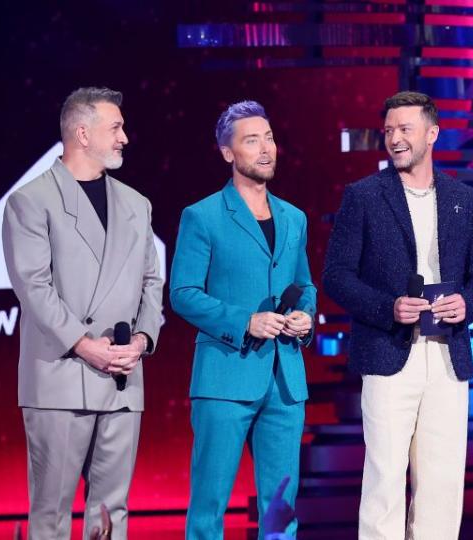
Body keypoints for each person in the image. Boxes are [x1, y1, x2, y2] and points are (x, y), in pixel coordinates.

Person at [322, 91, 473, 538]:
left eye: (405, 129)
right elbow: (336, 276)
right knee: (384, 479)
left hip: (447, 355)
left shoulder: (463, 198)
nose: (395, 139)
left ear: (432, 134)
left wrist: (467, 305)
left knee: (442, 482)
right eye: (389, 131)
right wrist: (388, 307)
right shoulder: (363, 196)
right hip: (387, 352)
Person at [2, 87, 163, 539]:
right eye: (115, 128)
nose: (125, 138)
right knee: (51, 512)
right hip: (60, 376)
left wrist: (142, 340)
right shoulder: (31, 201)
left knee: (113, 511)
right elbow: (34, 288)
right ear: (82, 133)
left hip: (122, 376)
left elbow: (152, 282)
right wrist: (84, 344)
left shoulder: (136, 204)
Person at [170, 100, 316, 539]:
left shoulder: (294, 217)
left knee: (280, 509)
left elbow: (304, 285)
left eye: (268, 137)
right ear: (228, 152)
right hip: (225, 375)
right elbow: (182, 293)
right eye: (252, 141)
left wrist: (304, 317)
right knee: (210, 505)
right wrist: (244, 321)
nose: (265, 148)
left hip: (285, 379)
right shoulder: (202, 216)